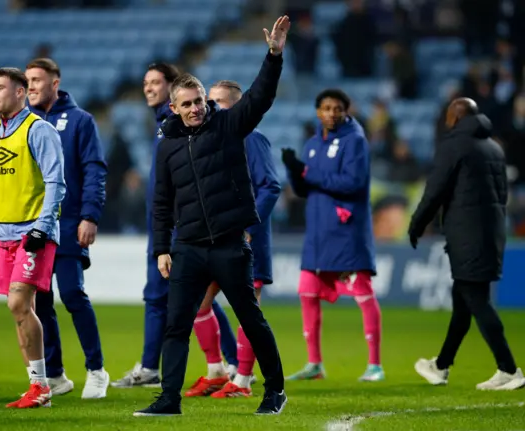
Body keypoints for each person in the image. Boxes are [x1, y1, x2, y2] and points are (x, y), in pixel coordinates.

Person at [134, 16, 290, 417]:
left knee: (250, 319)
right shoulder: (166, 146)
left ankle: (274, 390)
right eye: (186, 104)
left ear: (206, 100)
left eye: (199, 101)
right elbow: (161, 202)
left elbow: (259, 98)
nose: (194, 109)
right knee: (176, 325)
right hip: (187, 246)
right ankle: (168, 399)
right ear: (173, 107)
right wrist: (162, 248)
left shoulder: (228, 125)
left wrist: (273, 56)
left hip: (228, 243)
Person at [112, 62, 238, 388]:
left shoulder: (176, 125)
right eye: (145, 82)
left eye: (155, 82)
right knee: (169, 297)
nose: (148, 88)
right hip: (164, 225)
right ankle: (216, 363)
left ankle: (227, 362)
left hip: (183, 227)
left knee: (190, 298)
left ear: (172, 88)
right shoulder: (160, 125)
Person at [410, 98, 525, 390]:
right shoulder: (494, 148)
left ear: (456, 117)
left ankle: (509, 369)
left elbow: (434, 189)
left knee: (476, 300)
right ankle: (441, 365)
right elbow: (502, 196)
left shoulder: (454, 146)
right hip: (492, 232)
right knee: (463, 301)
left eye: (449, 115)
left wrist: (416, 224)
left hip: (466, 235)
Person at [185, 80, 281, 398]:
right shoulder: (212, 142)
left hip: (246, 240)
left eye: (215, 102)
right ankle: (216, 371)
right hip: (214, 238)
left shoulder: (251, 139)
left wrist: (248, 228)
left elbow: (270, 186)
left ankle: (242, 380)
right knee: (197, 302)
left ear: (234, 107)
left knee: (246, 310)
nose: (207, 108)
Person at [281, 89, 383, 382]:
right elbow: (303, 190)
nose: (332, 113)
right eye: (326, 108)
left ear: (346, 110)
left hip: (346, 231)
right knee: (307, 293)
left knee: (363, 294)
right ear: (318, 112)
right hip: (317, 234)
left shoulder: (356, 142)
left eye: (337, 108)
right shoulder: (313, 143)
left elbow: (352, 183)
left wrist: (306, 173)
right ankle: (314, 364)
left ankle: (375, 365)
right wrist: (293, 170)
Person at [26, 58, 110, 399]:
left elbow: (94, 170)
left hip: (70, 222)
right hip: (33, 226)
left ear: (55, 83)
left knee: (72, 294)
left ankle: (96, 370)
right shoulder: (23, 124)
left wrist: (90, 215)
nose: (30, 86)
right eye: (27, 80)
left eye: (36, 80)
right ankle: (56, 375)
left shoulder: (80, 121)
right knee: (40, 301)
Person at [0, 67, 66, 408]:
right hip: (6, 232)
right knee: (21, 310)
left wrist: (41, 227)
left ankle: (42, 386)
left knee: (18, 303)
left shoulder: (39, 130)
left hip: (34, 231)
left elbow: (56, 182)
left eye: (0, 87)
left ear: (20, 92)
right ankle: (37, 388)